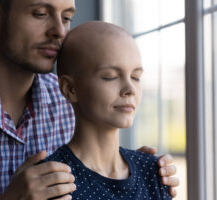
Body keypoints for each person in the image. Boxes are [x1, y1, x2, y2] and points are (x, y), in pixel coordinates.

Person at [0, 0, 178, 199]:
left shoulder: (75, 98)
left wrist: (132, 173)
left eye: (66, 18)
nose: (59, 31)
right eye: (40, 13)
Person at [42, 21, 172, 200]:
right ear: (70, 89)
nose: (130, 89)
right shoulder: (52, 182)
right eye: (110, 77)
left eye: (135, 77)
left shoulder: (153, 171)